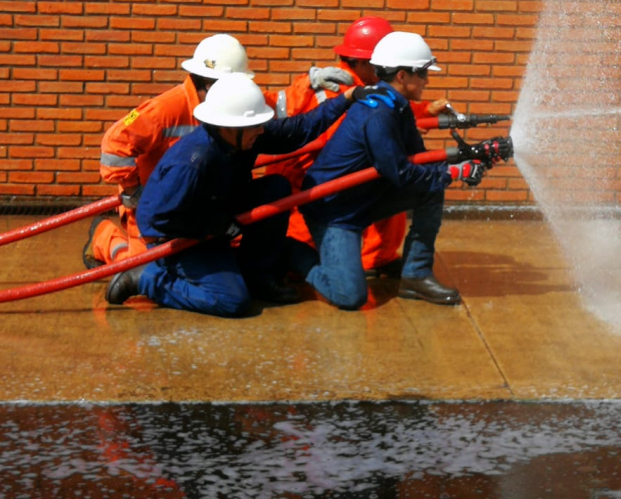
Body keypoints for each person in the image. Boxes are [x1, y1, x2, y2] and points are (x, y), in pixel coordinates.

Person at [103, 73, 384, 317]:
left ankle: (258, 274)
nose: (261, 131)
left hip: (216, 210)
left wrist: (347, 98)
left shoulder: (242, 134)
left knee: (276, 188)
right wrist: (217, 225)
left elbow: (297, 131)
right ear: (229, 128)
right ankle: (147, 279)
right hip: (181, 236)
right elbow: (157, 219)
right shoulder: (194, 161)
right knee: (232, 301)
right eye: (255, 126)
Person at [298, 31, 488, 310]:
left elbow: (419, 159)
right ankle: (291, 253)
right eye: (422, 73)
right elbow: (399, 173)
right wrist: (454, 173)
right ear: (401, 76)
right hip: (334, 211)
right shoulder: (379, 113)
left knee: (430, 189)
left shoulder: (396, 106)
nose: (427, 80)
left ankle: (416, 276)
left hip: (362, 198)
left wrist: (473, 158)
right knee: (350, 297)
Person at [262, 17, 449, 280]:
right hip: (311, 193)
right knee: (322, 271)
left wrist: (422, 111)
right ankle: (300, 256)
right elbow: (349, 136)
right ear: (363, 62)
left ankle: (378, 259)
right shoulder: (334, 90)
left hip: (333, 186)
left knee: (396, 179)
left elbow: (385, 111)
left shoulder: (362, 87)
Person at [83, 34, 254, 271]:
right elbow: (115, 141)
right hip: (154, 210)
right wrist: (134, 191)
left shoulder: (227, 107)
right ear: (208, 82)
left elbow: (273, 107)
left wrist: (309, 84)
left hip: (193, 209)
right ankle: (104, 237)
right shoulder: (165, 109)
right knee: (143, 271)